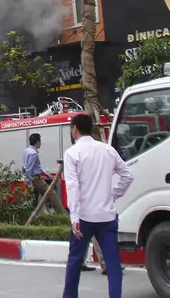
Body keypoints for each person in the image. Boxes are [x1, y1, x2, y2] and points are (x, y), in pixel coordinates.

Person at [62, 113, 134, 298]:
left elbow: (73, 186)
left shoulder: (72, 153)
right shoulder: (107, 150)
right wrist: (113, 195)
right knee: (113, 263)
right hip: (107, 216)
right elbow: (127, 176)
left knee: (75, 261)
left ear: (75, 129)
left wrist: (74, 217)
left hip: (84, 217)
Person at [24, 133, 65, 214]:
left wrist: (45, 173)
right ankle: (63, 216)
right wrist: (29, 183)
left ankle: (34, 219)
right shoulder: (34, 154)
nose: (41, 143)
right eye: (40, 141)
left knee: (33, 201)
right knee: (51, 194)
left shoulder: (27, 151)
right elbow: (29, 169)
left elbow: (34, 167)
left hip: (29, 179)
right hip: (35, 179)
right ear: (37, 142)